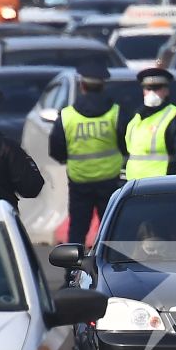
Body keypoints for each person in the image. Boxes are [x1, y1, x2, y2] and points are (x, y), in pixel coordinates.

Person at [51, 58, 134, 244]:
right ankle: (110, 269)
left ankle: (72, 270)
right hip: (109, 179)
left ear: (82, 86)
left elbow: (56, 148)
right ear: (103, 86)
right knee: (110, 227)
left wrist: (69, 159)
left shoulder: (67, 115)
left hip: (79, 180)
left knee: (78, 228)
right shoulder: (116, 113)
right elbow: (126, 142)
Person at [124, 68, 176, 181]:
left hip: (160, 185)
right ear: (143, 91)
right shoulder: (136, 118)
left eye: (157, 89)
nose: (152, 93)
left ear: (166, 91)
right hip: (133, 185)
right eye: (148, 88)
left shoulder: (175, 117)